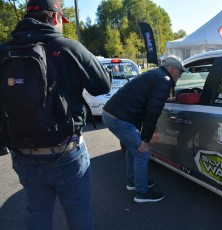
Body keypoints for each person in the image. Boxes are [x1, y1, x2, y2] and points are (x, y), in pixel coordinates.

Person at [0, 0, 111, 229]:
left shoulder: (4, 50)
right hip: (66, 153)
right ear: (54, 17)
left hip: (23, 152)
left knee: (36, 212)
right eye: (61, 20)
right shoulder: (67, 46)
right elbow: (103, 85)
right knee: (79, 214)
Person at [102, 55, 187, 203]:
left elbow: (147, 100)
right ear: (173, 69)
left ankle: (133, 182)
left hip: (112, 114)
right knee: (142, 152)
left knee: (132, 149)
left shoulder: (155, 74)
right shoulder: (164, 81)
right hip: (120, 118)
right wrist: (146, 139)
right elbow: (152, 112)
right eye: (180, 72)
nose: (180, 76)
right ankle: (142, 193)